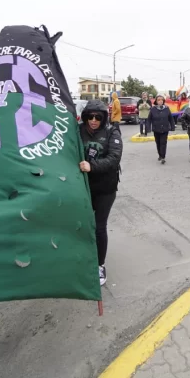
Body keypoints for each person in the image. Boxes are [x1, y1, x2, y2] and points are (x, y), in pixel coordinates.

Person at [78, 99, 123, 286]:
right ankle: (84, 257)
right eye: (90, 116)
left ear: (104, 117)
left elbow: (114, 158)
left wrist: (92, 166)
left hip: (105, 187)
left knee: (99, 226)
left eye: (98, 116)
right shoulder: (77, 131)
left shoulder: (112, 132)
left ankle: (99, 264)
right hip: (82, 187)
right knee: (82, 224)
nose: (94, 120)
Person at [147, 94, 175, 164]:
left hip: (165, 129)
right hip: (156, 129)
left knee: (163, 143)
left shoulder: (167, 108)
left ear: (163, 101)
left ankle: (163, 157)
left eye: (162, 100)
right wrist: (148, 128)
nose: (160, 101)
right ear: (156, 101)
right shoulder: (153, 109)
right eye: (158, 100)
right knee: (158, 143)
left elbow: (171, 118)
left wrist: (172, 126)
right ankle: (160, 154)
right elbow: (149, 119)